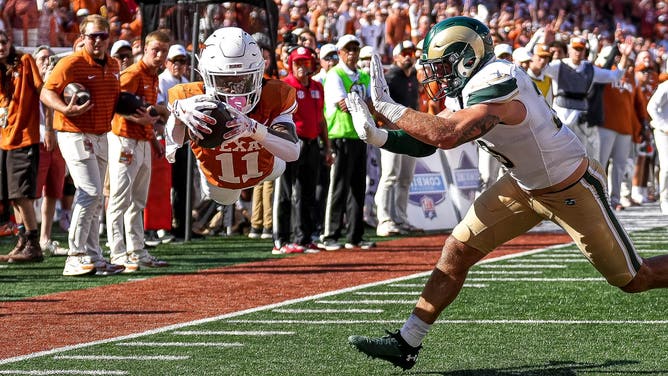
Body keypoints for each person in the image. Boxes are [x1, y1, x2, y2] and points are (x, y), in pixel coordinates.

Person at [346, 16, 668, 370]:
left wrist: (388, 107)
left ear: (465, 58)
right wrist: (379, 136)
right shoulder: (468, 86)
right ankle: (407, 341)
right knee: (457, 251)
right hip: (520, 185)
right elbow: (431, 141)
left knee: (634, 278)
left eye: (441, 66)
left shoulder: (498, 77)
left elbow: (447, 135)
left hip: (570, 187)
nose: (436, 75)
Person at [165, 27, 300, 216]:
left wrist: (253, 128)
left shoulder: (275, 94)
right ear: (205, 76)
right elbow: (172, 146)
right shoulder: (190, 97)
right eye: (224, 81)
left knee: (278, 167)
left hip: (266, 169)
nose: (235, 91)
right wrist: (179, 114)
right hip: (218, 179)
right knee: (226, 198)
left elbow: (292, 151)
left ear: (260, 73)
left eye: (244, 80)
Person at [40, 14, 124, 276]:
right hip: (74, 132)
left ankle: (94, 256)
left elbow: (116, 100)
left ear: (109, 38)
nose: (98, 41)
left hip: (101, 134)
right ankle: (75, 256)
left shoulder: (112, 64)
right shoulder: (71, 63)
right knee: (89, 191)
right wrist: (65, 108)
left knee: (96, 197)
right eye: (92, 36)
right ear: (82, 38)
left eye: (103, 36)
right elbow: (46, 91)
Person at [106, 30, 170, 272]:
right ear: (144, 49)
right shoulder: (132, 73)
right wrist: (143, 123)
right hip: (124, 139)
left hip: (141, 140)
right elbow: (115, 102)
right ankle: (118, 252)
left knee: (138, 200)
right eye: (156, 50)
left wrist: (151, 137)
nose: (160, 55)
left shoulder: (153, 75)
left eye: (163, 51)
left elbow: (145, 113)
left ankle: (137, 250)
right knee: (120, 199)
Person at [319, 34, 375, 251]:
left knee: (357, 187)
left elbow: (372, 104)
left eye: (355, 49)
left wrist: (359, 104)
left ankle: (355, 235)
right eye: (348, 50)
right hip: (340, 134)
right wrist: (362, 104)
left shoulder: (363, 76)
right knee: (338, 186)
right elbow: (343, 105)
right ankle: (330, 234)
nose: (352, 53)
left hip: (360, 135)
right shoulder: (335, 75)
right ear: (340, 52)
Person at [275, 46, 332, 254]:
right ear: (291, 64)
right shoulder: (286, 86)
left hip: (311, 143)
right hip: (292, 141)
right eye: (297, 62)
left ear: (311, 65)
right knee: (287, 191)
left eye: (305, 62)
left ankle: (304, 237)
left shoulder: (317, 86)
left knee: (308, 192)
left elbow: (321, 119)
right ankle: (281, 239)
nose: (301, 66)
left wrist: (327, 147)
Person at [543, 35, 626, 161]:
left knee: (580, 154)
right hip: (560, 112)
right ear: (569, 50)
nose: (578, 52)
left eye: (581, 49)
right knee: (556, 153)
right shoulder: (558, 66)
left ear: (584, 51)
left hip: (580, 116)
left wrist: (625, 56)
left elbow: (615, 76)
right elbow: (540, 67)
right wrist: (545, 46)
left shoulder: (590, 69)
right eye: (575, 49)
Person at [0, 30, 45, 263]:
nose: (0, 46)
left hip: (25, 136)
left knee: (22, 194)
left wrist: (55, 123)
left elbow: (41, 89)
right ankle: (23, 239)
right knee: (12, 196)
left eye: (3, 42)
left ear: (10, 43)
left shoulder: (25, 61)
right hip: (4, 138)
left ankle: (33, 243)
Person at [375, 40, 419, 237]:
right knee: (390, 176)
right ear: (396, 57)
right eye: (404, 52)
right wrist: (389, 125)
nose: (408, 56)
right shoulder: (391, 76)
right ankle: (384, 220)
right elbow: (378, 103)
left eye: (411, 52)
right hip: (393, 132)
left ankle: (400, 218)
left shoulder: (414, 76)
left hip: (411, 132)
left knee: (405, 178)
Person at [32, 45, 68, 256]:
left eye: (50, 58)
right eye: (43, 58)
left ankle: (44, 238)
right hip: (37, 141)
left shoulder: (60, 84)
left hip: (59, 141)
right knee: (31, 192)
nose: (47, 62)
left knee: (54, 191)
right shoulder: (30, 85)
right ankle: (28, 237)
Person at [646, 79, 668, 214]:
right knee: (666, 166)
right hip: (664, 133)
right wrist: (664, 126)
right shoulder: (665, 87)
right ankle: (664, 200)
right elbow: (651, 107)